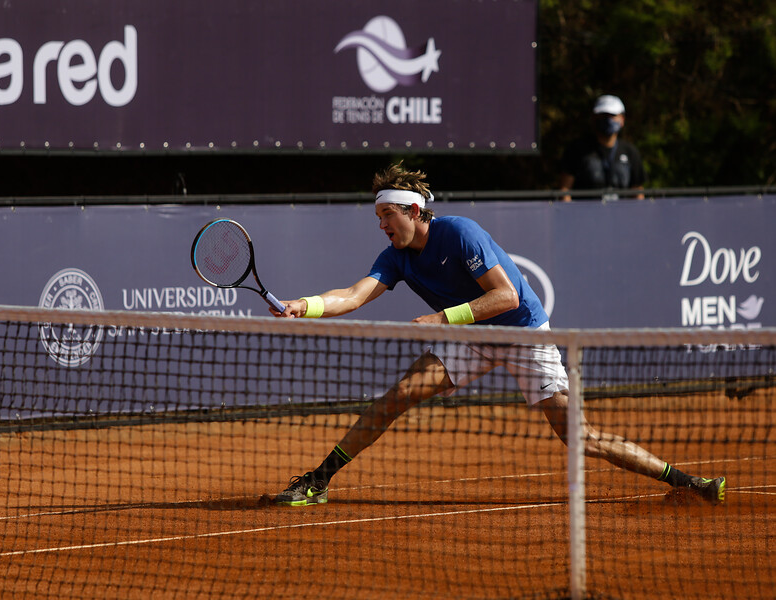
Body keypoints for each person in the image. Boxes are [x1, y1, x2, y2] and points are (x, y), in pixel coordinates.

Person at [269, 162, 725, 507]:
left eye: (388, 215)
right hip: (471, 336)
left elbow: (505, 297)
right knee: (400, 394)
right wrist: (302, 306)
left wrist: (442, 320)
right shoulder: (397, 255)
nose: (382, 225)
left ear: (413, 210)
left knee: (580, 437)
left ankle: (685, 482)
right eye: (379, 219)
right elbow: (352, 295)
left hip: (523, 333)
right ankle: (320, 479)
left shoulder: (461, 234)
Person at [559, 94, 646, 201]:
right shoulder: (577, 149)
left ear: (622, 119)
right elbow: (565, 190)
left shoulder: (630, 152)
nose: (608, 119)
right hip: (585, 215)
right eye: (603, 115)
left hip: (622, 215)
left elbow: (637, 191)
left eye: (612, 115)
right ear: (594, 117)